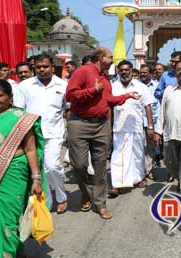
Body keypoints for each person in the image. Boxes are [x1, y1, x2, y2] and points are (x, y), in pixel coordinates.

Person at [65, 48, 141, 220]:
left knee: (100, 166)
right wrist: (92, 90)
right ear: (101, 58)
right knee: (78, 165)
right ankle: (86, 193)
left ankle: (100, 203)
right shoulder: (83, 71)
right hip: (79, 123)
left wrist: (128, 96)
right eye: (110, 57)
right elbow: (69, 95)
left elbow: (108, 100)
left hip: (101, 125)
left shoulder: (105, 77)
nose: (113, 59)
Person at [0, 79, 45, 258]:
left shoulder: (21, 118)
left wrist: (36, 179)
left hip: (13, 172)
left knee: (8, 219)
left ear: (10, 97)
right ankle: (14, 251)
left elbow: (30, 149)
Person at [15, 54, 69, 213]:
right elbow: (18, 111)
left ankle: (61, 197)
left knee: (52, 167)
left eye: (45, 66)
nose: (42, 70)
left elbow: (67, 108)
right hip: (31, 134)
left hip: (54, 133)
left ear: (52, 67)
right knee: (36, 169)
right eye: (38, 67)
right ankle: (46, 201)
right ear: (34, 68)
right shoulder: (25, 86)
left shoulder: (63, 85)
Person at [109, 60, 156, 196]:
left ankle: (138, 178)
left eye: (126, 70)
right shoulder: (112, 86)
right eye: (121, 70)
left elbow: (147, 106)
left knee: (137, 155)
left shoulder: (140, 87)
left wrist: (150, 127)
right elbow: (109, 107)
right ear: (118, 71)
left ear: (131, 71)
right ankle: (117, 184)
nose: (124, 72)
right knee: (118, 155)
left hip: (136, 127)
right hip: (119, 127)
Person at [156, 61, 181, 195]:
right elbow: (162, 111)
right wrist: (157, 131)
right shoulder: (168, 90)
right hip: (170, 134)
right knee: (171, 164)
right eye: (178, 70)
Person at [139, 64, 161, 177]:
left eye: (145, 72)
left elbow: (158, 107)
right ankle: (139, 172)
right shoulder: (135, 86)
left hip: (151, 123)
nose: (142, 74)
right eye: (141, 72)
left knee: (149, 148)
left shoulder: (157, 87)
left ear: (151, 74)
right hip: (136, 123)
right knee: (137, 148)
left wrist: (154, 126)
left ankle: (148, 170)